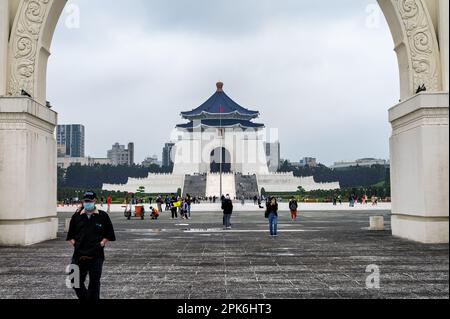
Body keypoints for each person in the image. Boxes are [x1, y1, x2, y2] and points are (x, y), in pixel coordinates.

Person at [66, 191, 116, 301]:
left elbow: (109, 234)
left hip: (96, 255)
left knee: (94, 283)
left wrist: (101, 243)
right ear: (83, 202)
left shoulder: (103, 216)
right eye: (85, 201)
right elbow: (70, 236)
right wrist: (77, 245)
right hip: (78, 255)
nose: (87, 203)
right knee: (74, 280)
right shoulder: (76, 216)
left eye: (90, 201)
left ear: (95, 201)